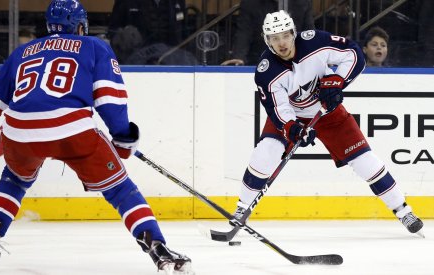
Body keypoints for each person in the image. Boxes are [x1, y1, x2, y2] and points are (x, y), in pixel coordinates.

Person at [0, 0, 192, 274]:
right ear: (79, 25)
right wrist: (123, 138)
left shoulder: (22, 52)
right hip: (72, 130)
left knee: (15, 179)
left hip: (19, 131)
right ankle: (158, 249)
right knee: (119, 189)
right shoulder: (94, 46)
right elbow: (110, 100)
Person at [231, 10, 424, 237]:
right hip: (292, 115)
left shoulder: (315, 42)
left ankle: (403, 210)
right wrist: (293, 128)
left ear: (294, 33)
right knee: (266, 152)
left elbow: (353, 54)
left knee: (365, 161)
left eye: (285, 35)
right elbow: (277, 108)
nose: (281, 43)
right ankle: (241, 209)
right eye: (274, 38)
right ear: (267, 40)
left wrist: (337, 81)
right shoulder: (266, 71)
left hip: (329, 114)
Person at [221, 0, 314, 66]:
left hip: (295, 61)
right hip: (260, 60)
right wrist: (238, 57)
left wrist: (317, 56)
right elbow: (244, 33)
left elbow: (309, 33)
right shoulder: (250, 3)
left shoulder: (303, 2)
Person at [107, 0, 187, 64]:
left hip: (172, 64)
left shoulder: (177, 2)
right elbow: (113, 31)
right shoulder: (126, 2)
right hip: (136, 65)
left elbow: (184, 34)